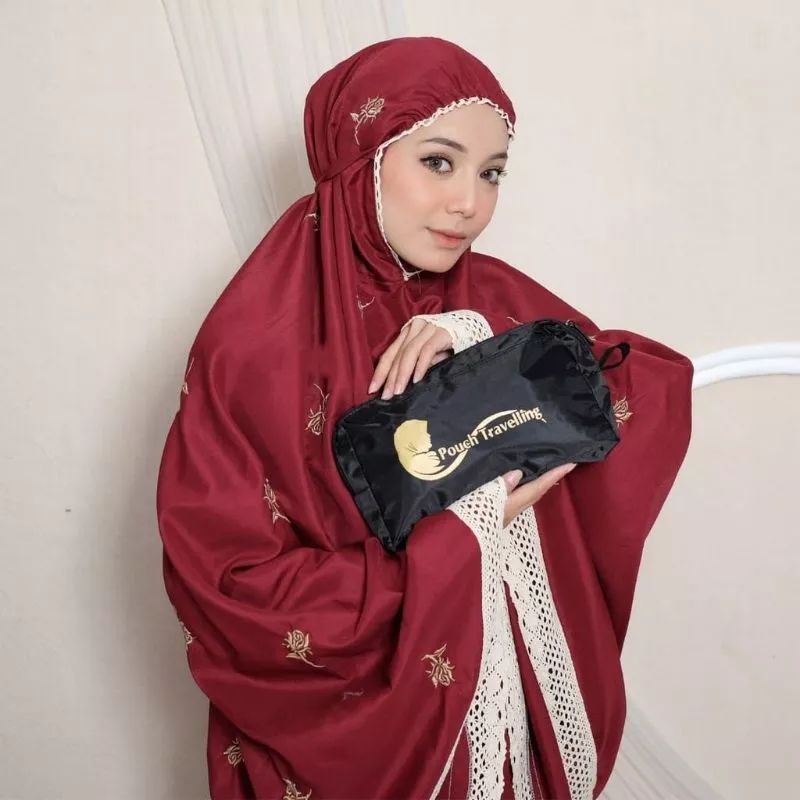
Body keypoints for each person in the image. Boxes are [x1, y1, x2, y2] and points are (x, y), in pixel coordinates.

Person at [156, 36, 693, 800]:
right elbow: (232, 585)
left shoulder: (491, 298)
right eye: (439, 162)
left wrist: (481, 343)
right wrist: (464, 534)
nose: (470, 203)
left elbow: (648, 383)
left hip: (513, 726)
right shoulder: (254, 345)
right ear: (361, 157)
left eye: (492, 173)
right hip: (378, 732)